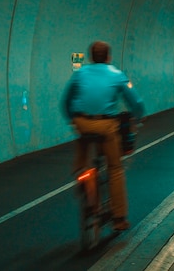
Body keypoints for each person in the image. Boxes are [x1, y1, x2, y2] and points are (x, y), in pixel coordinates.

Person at [62, 40, 145, 231]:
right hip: (106, 125)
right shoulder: (116, 74)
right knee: (115, 168)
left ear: (91, 57)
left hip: (82, 123)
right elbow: (136, 102)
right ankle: (119, 218)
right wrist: (138, 119)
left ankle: (83, 178)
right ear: (108, 57)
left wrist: (71, 120)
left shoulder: (80, 73)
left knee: (82, 158)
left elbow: (66, 100)